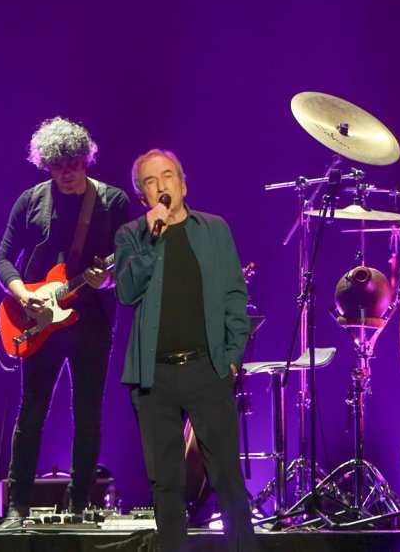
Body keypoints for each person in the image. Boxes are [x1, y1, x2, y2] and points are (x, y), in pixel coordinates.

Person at [114, 149, 256, 551]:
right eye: (150, 182)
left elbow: (234, 295)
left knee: (227, 475)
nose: (161, 186)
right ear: (143, 195)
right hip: (152, 376)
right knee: (167, 482)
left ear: (183, 184)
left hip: (206, 368)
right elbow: (126, 292)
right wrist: (150, 237)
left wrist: (231, 358)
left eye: (168, 176)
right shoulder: (131, 236)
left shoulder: (214, 229)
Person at [0, 117, 131, 521]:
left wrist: (106, 280)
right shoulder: (30, 201)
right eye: (57, 166)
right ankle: (18, 506)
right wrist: (25, 294)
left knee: (88, 413)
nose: (67, 173)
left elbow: (128, 263)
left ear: (86, 159)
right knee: (32, 411)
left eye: (73, 163)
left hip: (93, 319)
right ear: (46, 165)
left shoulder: (114, 202)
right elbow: (2, 259)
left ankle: (81, 502)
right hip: (38, 318)